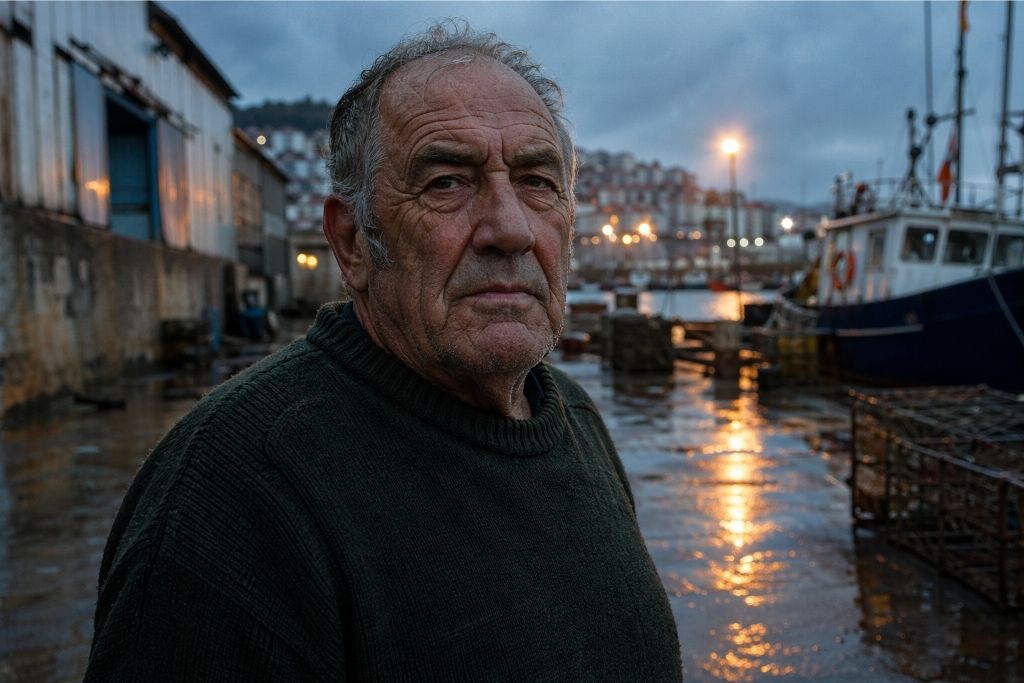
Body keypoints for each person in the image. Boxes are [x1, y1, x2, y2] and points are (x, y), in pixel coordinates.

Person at [85, 21, 682, 681]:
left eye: (538, 181)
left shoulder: (572, 416)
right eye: (447, 182)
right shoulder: (232, 494)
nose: (510, 228)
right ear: (351, 242)